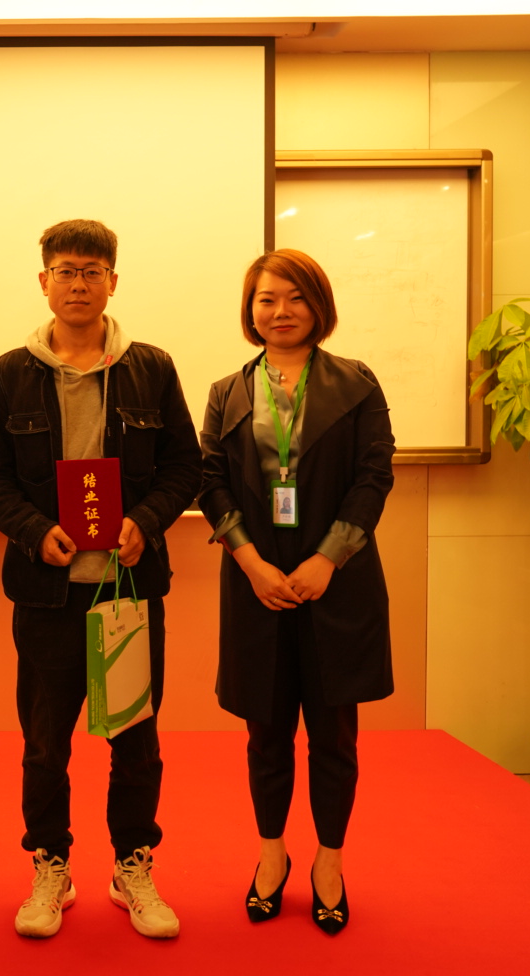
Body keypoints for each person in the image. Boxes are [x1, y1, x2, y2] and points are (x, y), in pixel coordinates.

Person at [0, 219, 200, 940]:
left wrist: (146, 520)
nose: (78, 283)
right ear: (44, 282)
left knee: (135, 739)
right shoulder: (12, 371)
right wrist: (34, 531)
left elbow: (184, 467)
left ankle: (133, 865)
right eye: (66, 271)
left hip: (128, 591)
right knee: (46, 743)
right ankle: (51, 866)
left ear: (112, 282)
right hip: (47, 595)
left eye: (92, 271)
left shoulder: (152, 368)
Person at [196, 248, 394, 936]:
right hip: (257, 585)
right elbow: (211, 481)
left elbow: (374, 475)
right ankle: (272, 852)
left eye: (295, 298)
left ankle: (329, 861)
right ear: (250, 311)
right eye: (266, 299)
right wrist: (251, 562)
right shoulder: (227, 391)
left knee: (334, 737)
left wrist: (327, 560)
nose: (280, 311)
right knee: (266, 731)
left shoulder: (357, 383)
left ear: (319, 304)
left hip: (336, 584)